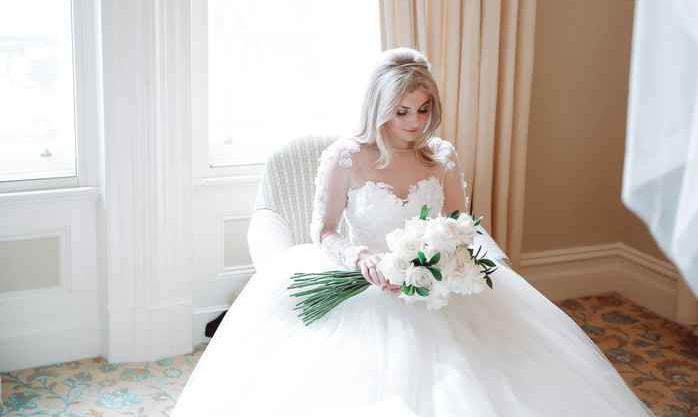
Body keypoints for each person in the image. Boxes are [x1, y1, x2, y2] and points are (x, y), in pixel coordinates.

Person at [172, 48, 655, 416]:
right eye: (402, 110)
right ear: (379, 107)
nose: (413, 122)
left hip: (434, 285)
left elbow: (458, 224)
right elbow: (321, 230)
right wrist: (360, 256)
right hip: (363, 282)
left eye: (423, 109)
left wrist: (443, 258)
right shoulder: (347, 157)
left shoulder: (441, 156)